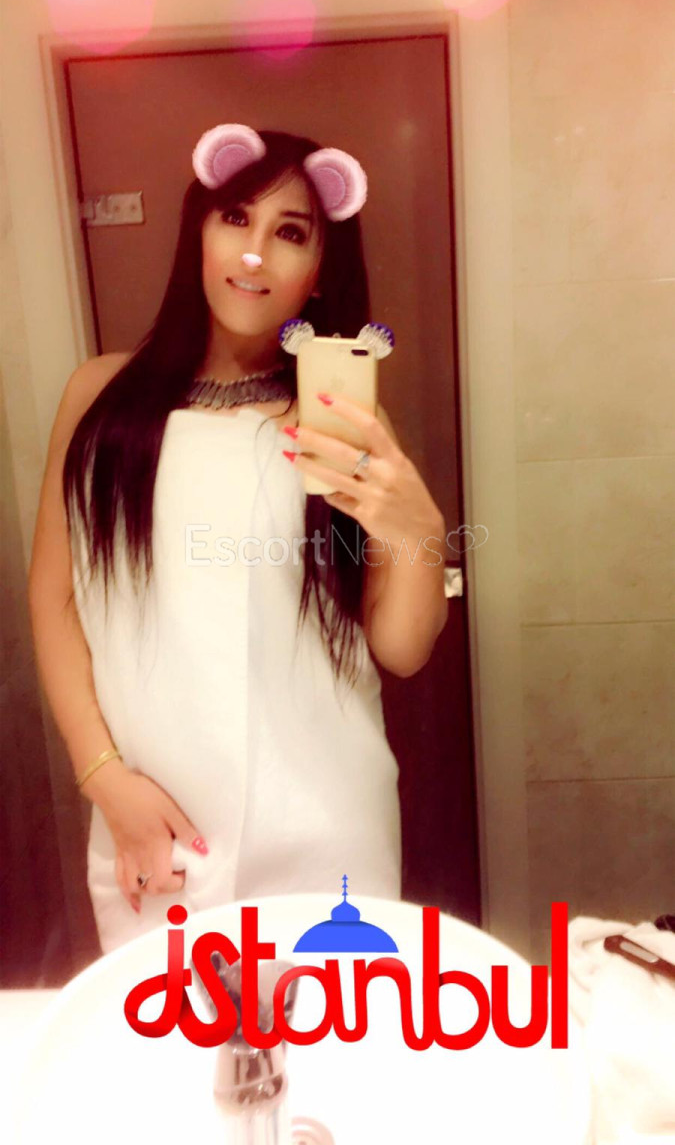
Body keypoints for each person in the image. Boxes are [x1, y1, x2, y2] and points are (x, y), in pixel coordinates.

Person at [28, 125, 448, 955]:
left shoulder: (340, 419)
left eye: (290, 232)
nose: (254, 252)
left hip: (327, 819)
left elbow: (399, 650)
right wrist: (101, 775)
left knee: (334, 1025)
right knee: (170, 1030)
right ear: (198, 231)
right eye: (234, 218)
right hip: (154, 825)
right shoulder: (99, 397)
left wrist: (421, 534)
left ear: (319, 270)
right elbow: (55, 597)